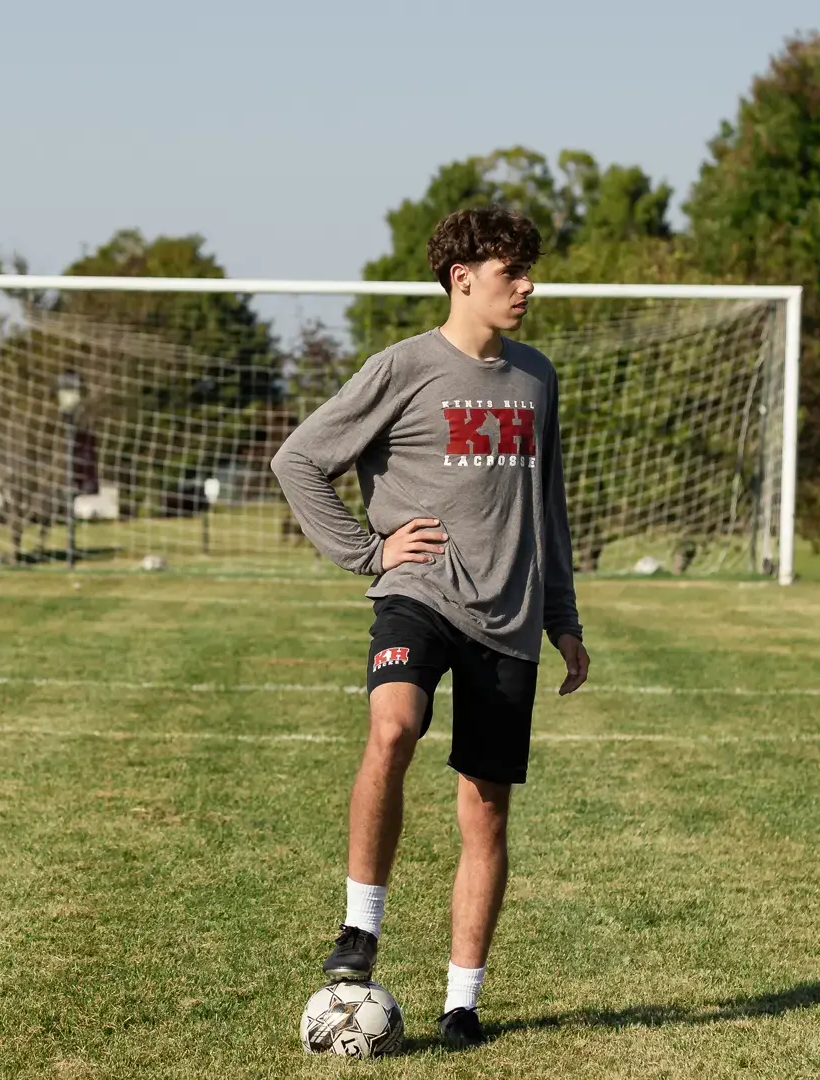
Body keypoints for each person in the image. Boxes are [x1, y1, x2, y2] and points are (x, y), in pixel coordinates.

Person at [271, 205, 588, 1049]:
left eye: (528, 271)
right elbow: (299, 460)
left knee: (485, 812)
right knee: (393, 727)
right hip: (417, 592)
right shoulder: (403, 367)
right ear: (462, 278)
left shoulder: (537, 377)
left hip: (510, 615)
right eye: (510, 271)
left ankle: (462, 1006)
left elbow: (546, 507)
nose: (527, 287)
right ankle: (359, 931)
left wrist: (563, 617)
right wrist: (369, 552)